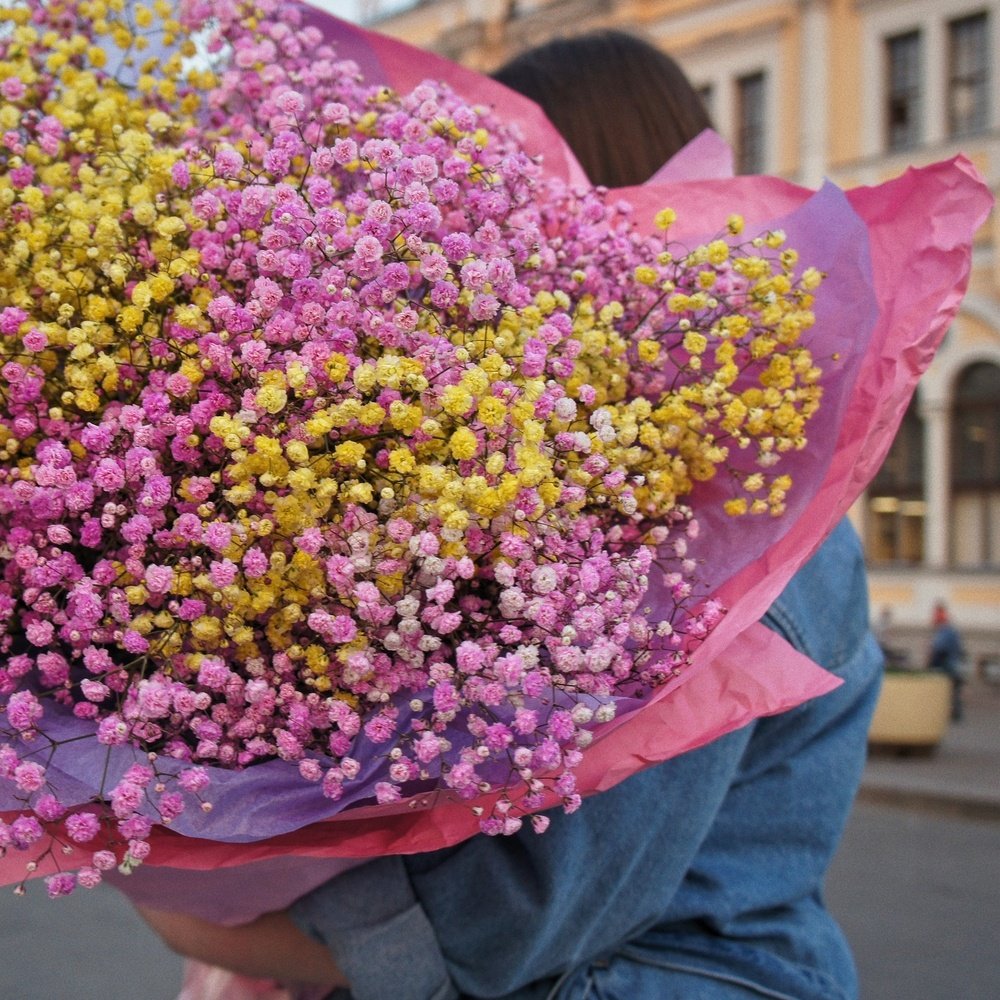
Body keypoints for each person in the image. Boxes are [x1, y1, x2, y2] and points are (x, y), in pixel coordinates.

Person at [137, 31, 884, 1000]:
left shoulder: (727, 514)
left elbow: (520, 921)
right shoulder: (547, 475)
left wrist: (199, 905)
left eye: (496, 182)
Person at [927, 602, 967, 721]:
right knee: (954, 690)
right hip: (953, 663)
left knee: (949, 689)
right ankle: (955, 712)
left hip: (947, 665)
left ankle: (953, 712)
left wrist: (931, 663)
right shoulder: (950, 630)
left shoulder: (945, 631)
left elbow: (939, 649)